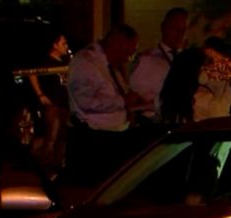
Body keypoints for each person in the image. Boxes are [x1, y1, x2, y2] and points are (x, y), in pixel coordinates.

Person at [65, 23, 144, 185]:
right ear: (117, 44)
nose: (128, 58)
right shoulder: (85, 63)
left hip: (113, 139)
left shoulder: (110, 66)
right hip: (94, 143)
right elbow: (86, 101)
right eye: (128, 52)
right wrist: (122, 102)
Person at [129, 7, 189, 127]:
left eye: (183, 30)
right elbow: (137, 98)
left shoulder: (188, 59)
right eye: (175, 28)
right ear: (163, 27)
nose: (180, 34)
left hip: (184, 125)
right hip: (156, 125)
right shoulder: (146, 59)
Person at [27, 30, 71, 181]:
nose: (66, 46)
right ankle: (45, 168)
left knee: (62, 137)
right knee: (52, 134)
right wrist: (41, 95)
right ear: (55, 44)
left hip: (65, 104)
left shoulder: (66, 62)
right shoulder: (45, 61)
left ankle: (58, 168)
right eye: (63, 43)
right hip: (52, 104)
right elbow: (32, 74)